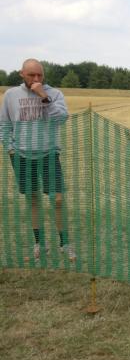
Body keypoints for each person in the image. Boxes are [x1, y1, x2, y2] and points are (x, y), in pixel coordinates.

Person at [0, 58, 75, 261]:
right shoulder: (11, 95)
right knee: (33, 199)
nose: (36, 78)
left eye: (40, 74)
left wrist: (43, 96)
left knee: (58, 199)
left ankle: (64, 244)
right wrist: (10, 149)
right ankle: (40, 244)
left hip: (49, 153)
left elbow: (61, 118)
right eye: (31, 75)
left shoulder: (54, 93)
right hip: (21, 155)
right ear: (21, 74)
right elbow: (4, 125)